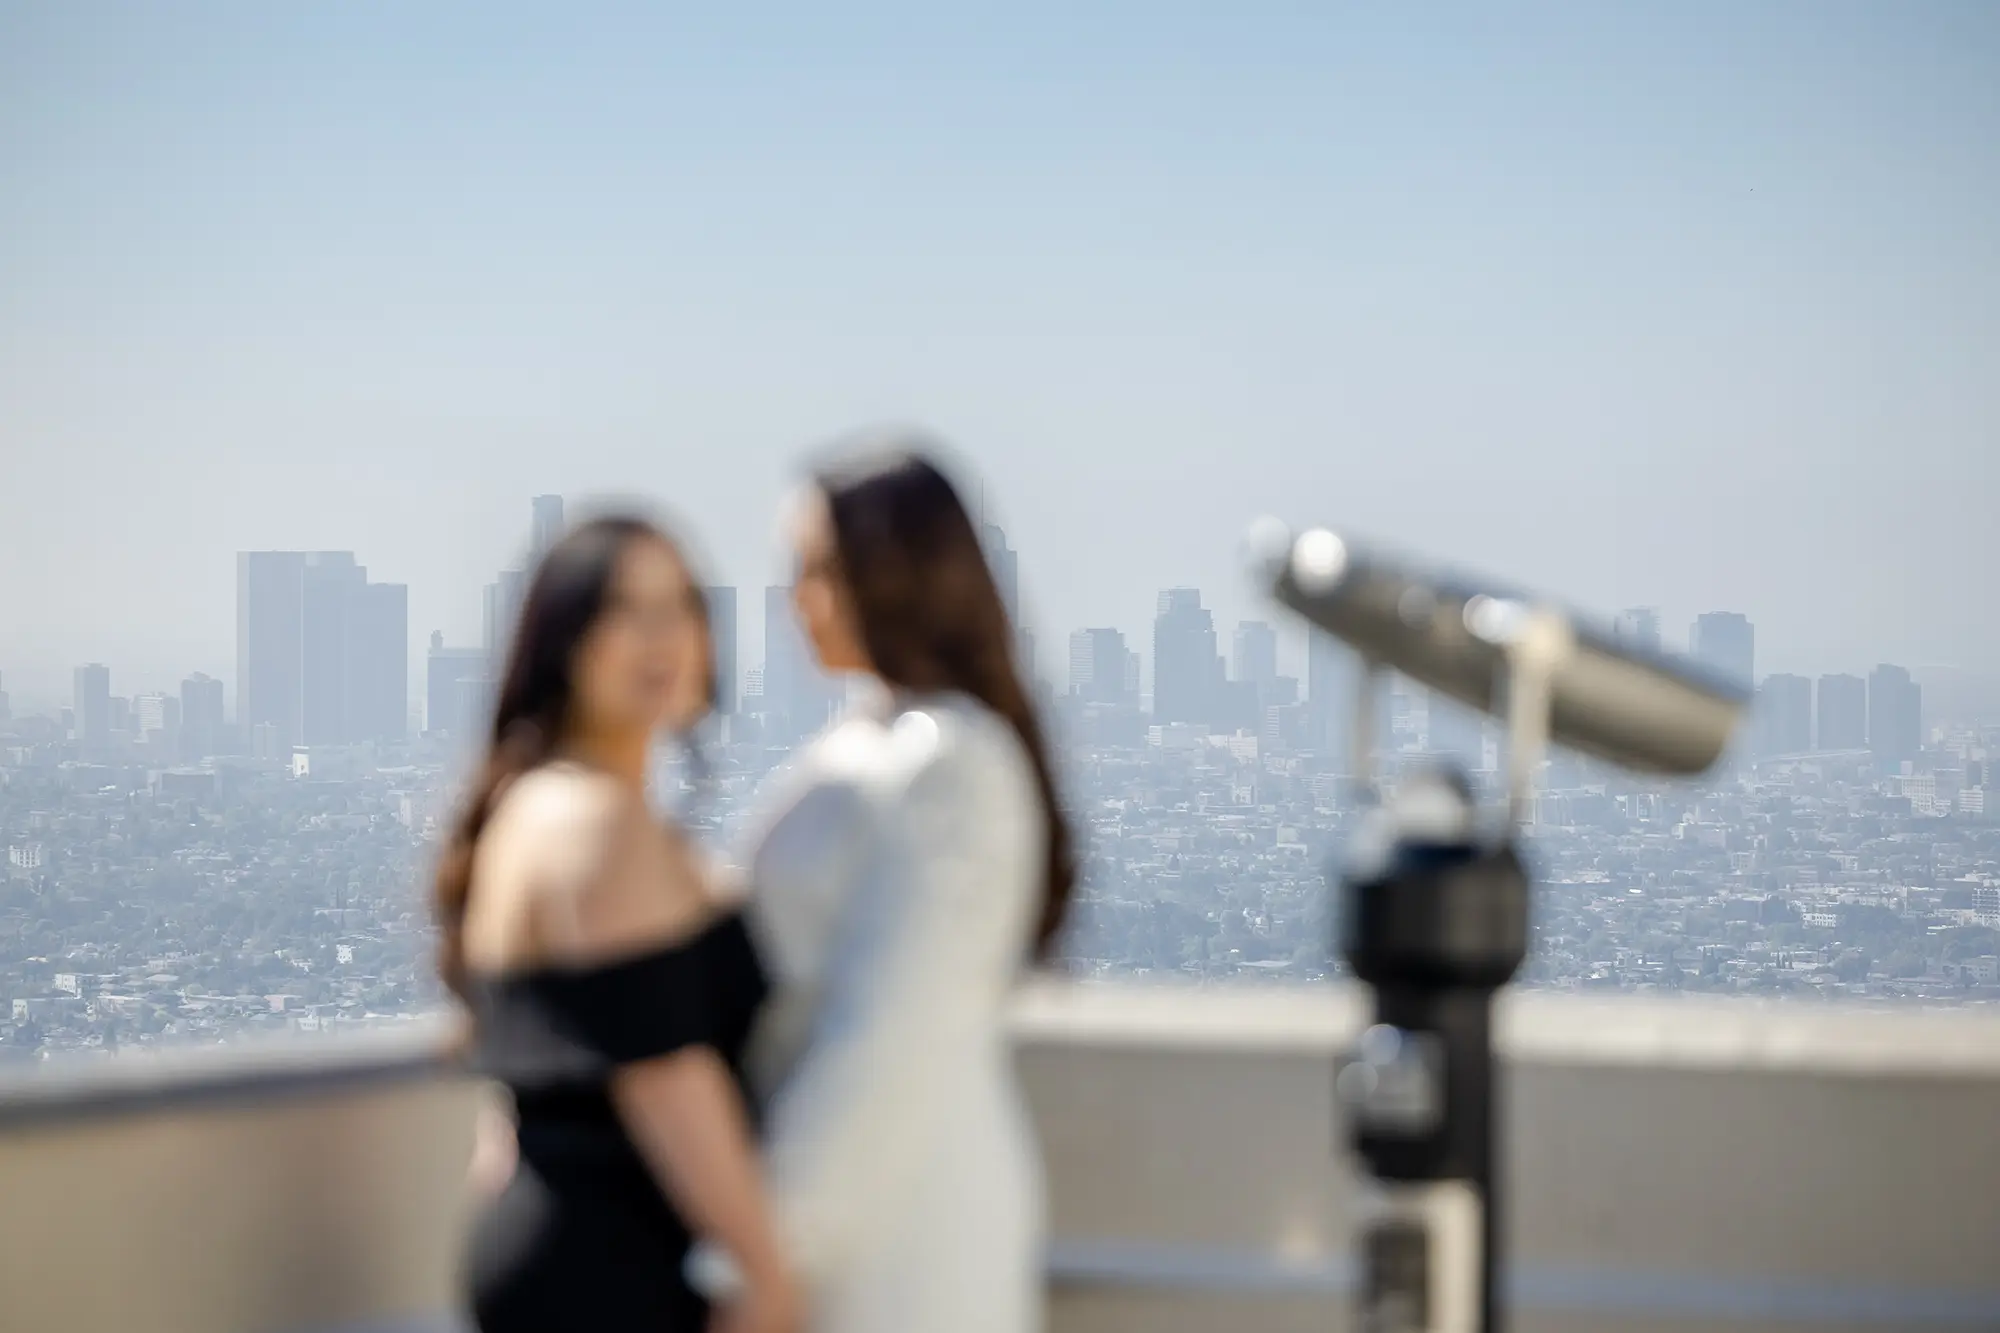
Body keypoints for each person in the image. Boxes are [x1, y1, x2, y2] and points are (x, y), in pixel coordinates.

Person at [693, 441, 1076, 1332]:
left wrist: (760, 1261)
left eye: (821, 568)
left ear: (900, 573)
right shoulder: (876, 736)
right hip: (849, 1200)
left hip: (895, 1221)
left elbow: (886, 1037)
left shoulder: (948, 759)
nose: (796, 600)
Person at [435, 514, 799, 1333]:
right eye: (622, 610)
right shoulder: (594, 823)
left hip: (561, 1257)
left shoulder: (544, 805)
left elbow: (535, 1080)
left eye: (680, 607)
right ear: (564, 642)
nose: (659, 637)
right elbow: (664, 1075)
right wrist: (768, 1281)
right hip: (607, 1279)